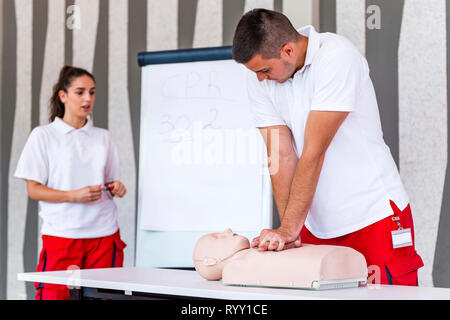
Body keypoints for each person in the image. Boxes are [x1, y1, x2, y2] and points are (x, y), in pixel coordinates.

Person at [232, 9, 423, 286]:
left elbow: (314, 150)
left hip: (372, 215)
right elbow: (281, 155)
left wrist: (287, 228)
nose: (260, 78)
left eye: (264, 70)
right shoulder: (259, 80)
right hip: (313, 224)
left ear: (287, 51)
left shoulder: (336, 57)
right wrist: (290, 232)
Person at [14, 66, 127, 300]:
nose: (88, 98)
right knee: (54, 296)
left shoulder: (103, 137)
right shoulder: (43, 135)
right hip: (62, 235)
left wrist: (116, 187)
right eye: (80, 92)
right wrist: (73, 195)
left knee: (105, 297)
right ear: (63, 96)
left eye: (92, 92)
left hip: (104, 235)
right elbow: (33, 189)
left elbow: (109, 182)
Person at [192, 229, 367, 289]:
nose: (228, 230)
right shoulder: (233, 269)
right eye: (218, 237)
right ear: (210, 261)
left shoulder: (255, 251)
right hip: (324, 266)